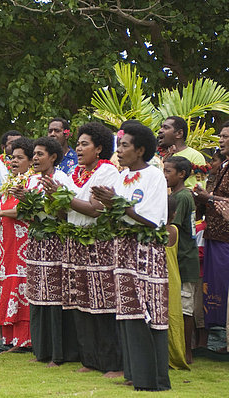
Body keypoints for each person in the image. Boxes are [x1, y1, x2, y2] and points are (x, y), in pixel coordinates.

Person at [92, 122, 170, 391]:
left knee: (147, 311)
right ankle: (134, 373)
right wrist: (106, 204)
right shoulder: (120, 177)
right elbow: (114, 215)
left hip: (145, 252)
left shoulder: (154, 176)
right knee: (127, 310)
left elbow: (151, 219)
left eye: (125, 145)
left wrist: (115, 203)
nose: (119, 150)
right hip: (122, 251)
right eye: (119, 145)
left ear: (140, 150)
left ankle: (152, 378)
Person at [43, 122, 122, 376]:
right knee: (80, 301)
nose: (78, 148)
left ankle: (111, 363)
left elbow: (94, 208)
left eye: (84, 144)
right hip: (74, 242)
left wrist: (63, 197)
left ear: (99, 148)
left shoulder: (107, 172)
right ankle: (89, 360)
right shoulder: (74, 173)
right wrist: (54, 199)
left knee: (102, 301)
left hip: (98, 244)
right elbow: (63, 212)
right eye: (77, 143)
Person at [23, 136, 78, 367]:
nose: (35, 158)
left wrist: (53, 198)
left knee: (55, 295)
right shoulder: (32, 180)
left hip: (56, 242)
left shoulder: (62, 180)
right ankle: (41, 349)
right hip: (36, 243)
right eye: (34, 154)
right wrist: (24, 201)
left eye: (40, 154)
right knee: (38, 293)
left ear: (53, 157)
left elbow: (68, 214)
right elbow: (28, 215)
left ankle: (58, 352)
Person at [0, 138, 34, 351]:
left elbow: (27, 210)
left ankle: (25, 339)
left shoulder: (32, 183)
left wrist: (1, 212)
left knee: (21, 283)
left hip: (25, 244)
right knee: (9, 281)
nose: (14, 161)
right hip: (8, 243)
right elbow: (8, 212)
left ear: (31, 161)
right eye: (12, 157)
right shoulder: (10, 182)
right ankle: (11, 337)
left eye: (20, 158)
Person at [164, 156, 200, 364]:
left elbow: (173, 227)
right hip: (179, 258)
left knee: (185, 308)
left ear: (181, 174)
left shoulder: (183, 197)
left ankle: (187, 351)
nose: (165, 175)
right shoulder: (176, 194)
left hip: (184, 258)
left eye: (169, 171)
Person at [194, 121, 229, 333]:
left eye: (226, 137)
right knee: (213, 286)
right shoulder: (224, 167)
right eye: (221, 136)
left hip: (226, 237)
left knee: (223, 286)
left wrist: (209, 197)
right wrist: (202, 199)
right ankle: (216, 337)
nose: (221, 140)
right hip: (214, 234)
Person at [165, 196, 190, 370]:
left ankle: (171, 356)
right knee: (173, 315)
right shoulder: (173, 228)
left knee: (170, 316)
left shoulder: (169, 230)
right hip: (172, 278)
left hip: (167, 278)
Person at [158, 116, 206, 189]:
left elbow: (197, 191)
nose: (160, 130)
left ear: (179, 133)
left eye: (166, 127)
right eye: (161, 127)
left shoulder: (195, 156)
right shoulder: (157, 156)